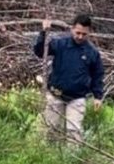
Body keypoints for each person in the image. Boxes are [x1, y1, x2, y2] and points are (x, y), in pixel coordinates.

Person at [33, 14, 105, 144]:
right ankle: (47, 158)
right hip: (55, 94)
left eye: (84, 34)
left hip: (77, 98)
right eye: (78, 33)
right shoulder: (60, 44)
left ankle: (72, 160)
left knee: (74, 132)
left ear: (89, 32)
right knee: (50, 129)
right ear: (72, 29)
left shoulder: (92, 52)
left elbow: (97, 75)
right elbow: (39, 51)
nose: (80, 37)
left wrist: (98, 96)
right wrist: (44, 32)